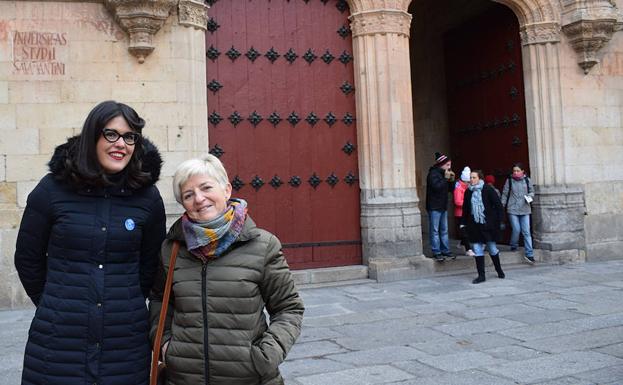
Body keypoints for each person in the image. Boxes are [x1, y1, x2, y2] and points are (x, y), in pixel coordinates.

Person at [14, 101, 166, 385]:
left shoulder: (147, 198)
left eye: (130, 137)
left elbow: (150, 265)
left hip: (124, 342)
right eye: (111, 134)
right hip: (58, 341)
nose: (121, 144)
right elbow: (27, 258)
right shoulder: (51, 190)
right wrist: (55, 301)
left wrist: (124, 300)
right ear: (92, 135)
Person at [149, 154, 304, 385]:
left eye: (206, 187)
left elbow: (288, 308)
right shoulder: (172, 249)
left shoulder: (262, 245)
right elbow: (161, 300)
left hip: (249, 378)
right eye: (188, 195)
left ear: (227, 190)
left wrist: (265, 356)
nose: (199, 199)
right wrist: (166, 346)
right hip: (184, 377)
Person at [461, 169, 505, 284]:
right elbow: (465, 209)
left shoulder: (488, 189)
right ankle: (481, 275)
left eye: (474, 177)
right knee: (477, 249)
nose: (471, 180)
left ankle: (499, 269)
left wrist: (499, 220)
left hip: (487, 224)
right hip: (474, 225)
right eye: (470, 177)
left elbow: (498, 205)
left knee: (492, 248)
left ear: (480, 178)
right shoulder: (468, 192)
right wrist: (463, 223)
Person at [501, 162, 535, 264]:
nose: (516, 173)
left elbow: (532, 191)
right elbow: (505, 193)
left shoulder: (527, 180)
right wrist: (502, 205)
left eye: (518, 171)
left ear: (522, 171)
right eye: (514, 171)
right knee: (516, 229)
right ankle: (514, 245)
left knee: (526, 232)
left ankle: (529, 254)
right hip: (513, 209)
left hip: (525, 208)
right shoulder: (509, 181)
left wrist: (530, 196)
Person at [426, 152, 455, 261]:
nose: (449, 167)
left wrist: (451, 180)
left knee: (444, 230)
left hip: (443, 206)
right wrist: (445, 179)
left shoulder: (445, 174)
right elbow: (437, 187)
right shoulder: (433, 174)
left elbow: (450, 190)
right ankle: (436, 251)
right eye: (447, 165)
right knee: (435, 230)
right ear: (441, 164)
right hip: (434, 206)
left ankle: (446, 250)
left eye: (450, 165)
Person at [454, 166, 475, 257]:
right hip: (460, 214)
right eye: (468, 181)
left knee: (467, 231)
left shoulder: (469, 188)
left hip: (467, 214)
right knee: (464, 231)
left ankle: (462, 244)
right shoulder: (459, 189)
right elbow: (457, 202)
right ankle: (468, 249)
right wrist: (468, 204)